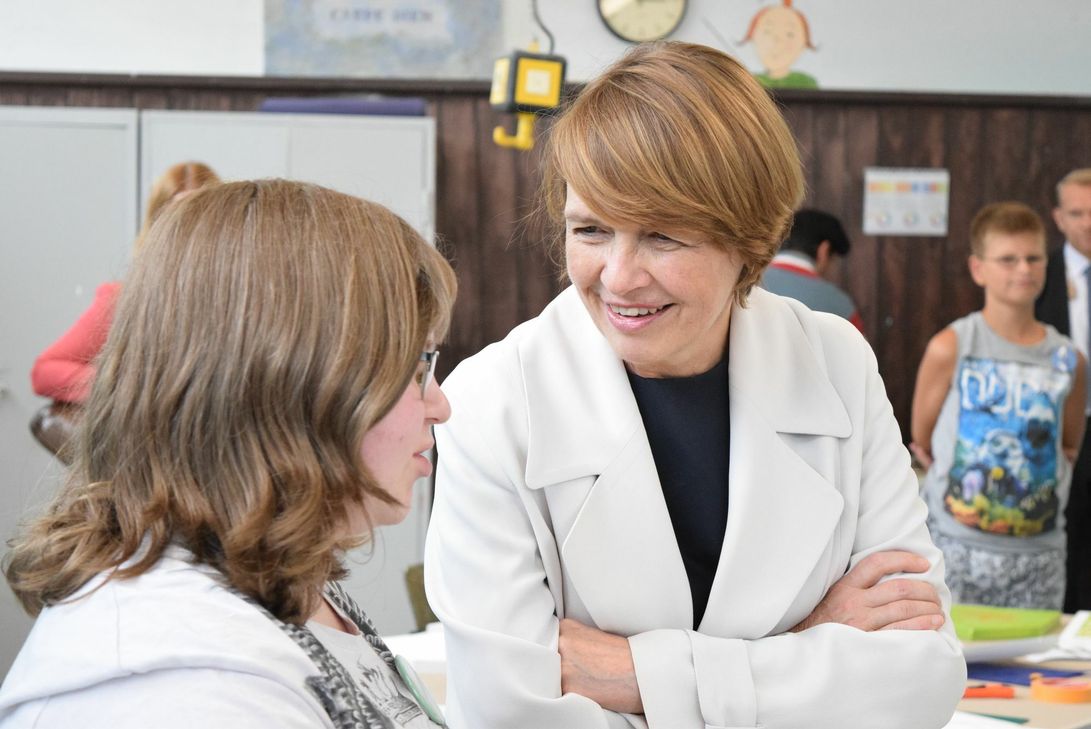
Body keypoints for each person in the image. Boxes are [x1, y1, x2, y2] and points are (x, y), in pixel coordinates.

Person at [425, 41, 964, 729]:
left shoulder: (834, 362)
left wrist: (631, 674)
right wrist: (802, 648)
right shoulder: (494, 400)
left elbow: (917, 678)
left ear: (753, 241)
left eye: (662, 237)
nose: (618, 277)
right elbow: (510, 710)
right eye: (590, 229)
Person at [0, 180, 456, 728]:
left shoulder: (278, 582)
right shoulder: (177, 691)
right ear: (291, 383)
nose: (441, 404)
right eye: (418, 366)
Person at [912, 202, 1085, 610]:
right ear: (978, 269)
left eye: (1033, 258)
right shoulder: (951, 346)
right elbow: (923, 436)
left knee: (1036, 672)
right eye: (1008, 259)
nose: (1023, 269)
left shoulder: (1069, 358)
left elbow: (1069, 443)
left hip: (1039, 558)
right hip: (955, 548)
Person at [30, 161, 220, 404]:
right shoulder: (124, 299)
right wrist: (124, 391)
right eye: (176, 218)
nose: (190, 233)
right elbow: (46, 371)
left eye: (201, 218)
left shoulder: (237, 303)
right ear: (155, 226)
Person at [1036, 168, 1091, 612]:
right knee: (1065, 526)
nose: (1088, 222)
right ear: (1059, 217)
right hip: (1056, 426)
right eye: (1078, 212)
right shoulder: (1036, 273)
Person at [761, 208, 864, 332]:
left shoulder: (742, 283)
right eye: (832, 260)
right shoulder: (840, 305)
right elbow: (858, 350)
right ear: (824, 250)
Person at [740, 0, 818, 90]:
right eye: (767, 32)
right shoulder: (749, 82)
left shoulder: (806, 82)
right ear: (752, 37)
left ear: (804, 43)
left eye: (789, 34)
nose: (777, 40)